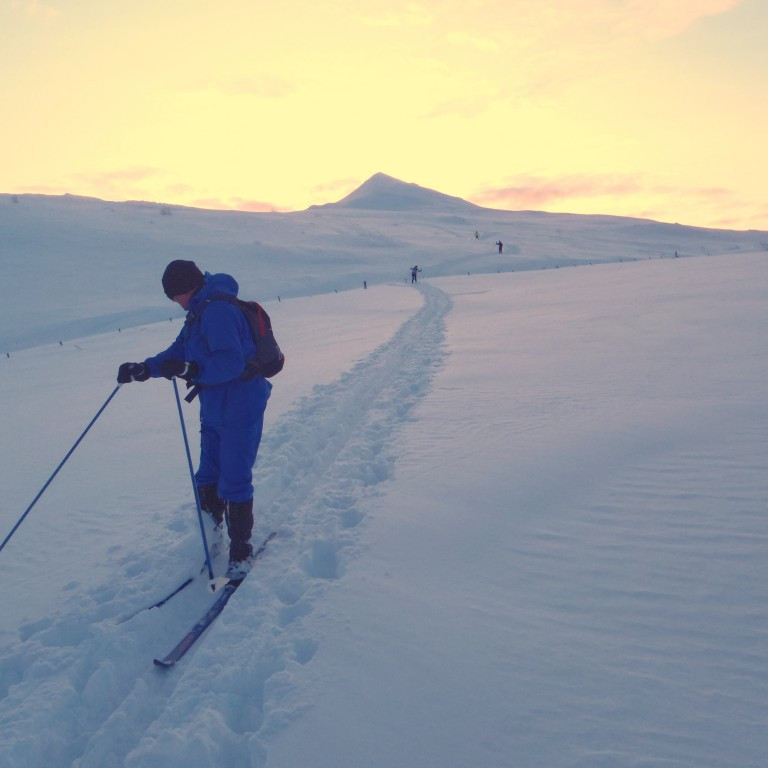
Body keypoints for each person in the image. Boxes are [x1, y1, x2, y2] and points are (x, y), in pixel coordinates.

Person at [117, 260, 272, 579]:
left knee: (234, 476)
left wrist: (192, 370)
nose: (176, 302)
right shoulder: (200, 311)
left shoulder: (217, 311)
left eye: (175, 296)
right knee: (208, 475)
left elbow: (230, 363)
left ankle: (240, 553)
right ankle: (210, 540)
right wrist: (145, 369)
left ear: (187, 288)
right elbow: (178, 352)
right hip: (215, 404)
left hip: (240, 404)